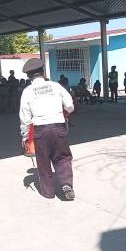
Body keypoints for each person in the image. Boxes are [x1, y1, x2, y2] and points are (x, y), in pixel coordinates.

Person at [19, 58, 75, 200]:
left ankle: (48, 193)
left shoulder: (27, 91)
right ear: (43, 72)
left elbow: (25, 117)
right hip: (58, 127)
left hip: (40, 130)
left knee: (43, 161)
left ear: (29, 76)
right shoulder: (56, 86)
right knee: (62, 157)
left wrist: (25, 136)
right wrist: (63, 113)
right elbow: (70, 105)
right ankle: (66, 184)